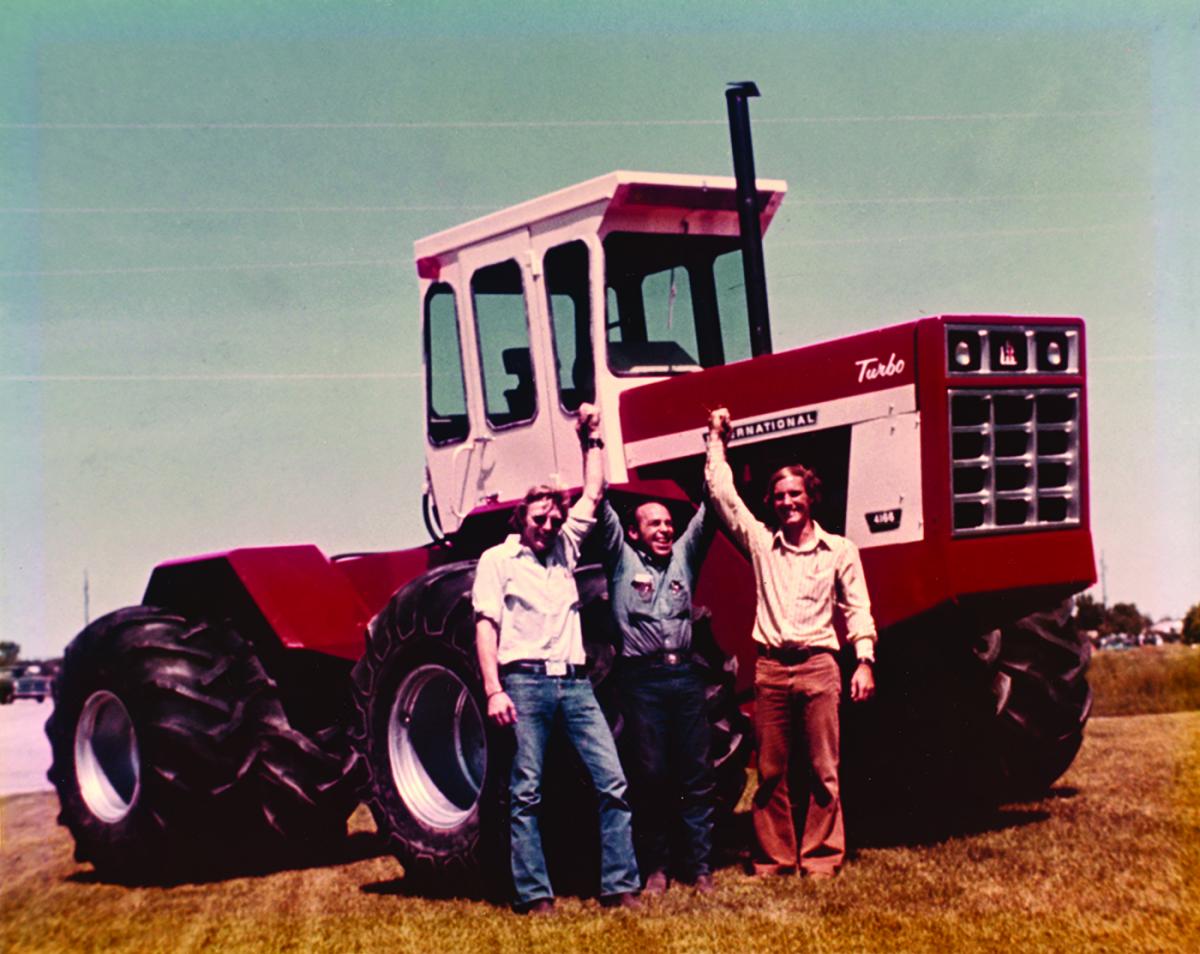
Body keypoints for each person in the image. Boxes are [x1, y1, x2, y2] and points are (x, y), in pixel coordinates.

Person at [473, 404, 640, 914]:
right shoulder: (498, 561)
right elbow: (486, 624)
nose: (548, 525)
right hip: (523, 684)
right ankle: (534, 895)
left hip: (576, 684)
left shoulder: (565, 548)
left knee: (612, 781)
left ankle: (620, 886)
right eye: (539, 518)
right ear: (521, 517)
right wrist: (493, 689)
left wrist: (591, 440)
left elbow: (594, 492)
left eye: (553, 518)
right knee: (526, 792)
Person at [704, 407, 877, 879]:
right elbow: (723, 495)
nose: (787, 503)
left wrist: (863, 661)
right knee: (772, 771)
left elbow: (857, 608)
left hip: (821, 666)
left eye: (795, 494)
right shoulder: (762, 545)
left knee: (824, 768)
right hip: (772, 670)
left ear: (810, 497)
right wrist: (717, 438)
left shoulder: (840, 550)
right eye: (779, 496)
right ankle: (774, 859)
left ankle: (820, 858)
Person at [596, 491, 717, 895]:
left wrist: (717, 446)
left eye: (668, 524)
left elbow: (709, 509)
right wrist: (590, 443)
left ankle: (699, 868)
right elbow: (599, 505)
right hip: (641, 680)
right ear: (633, 532)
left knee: (696, 774)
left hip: (684, 675)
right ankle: (656, 869)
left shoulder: (683, 556)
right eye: (655, 524)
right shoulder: (620, 560)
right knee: (650, 776)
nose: (665, 530)